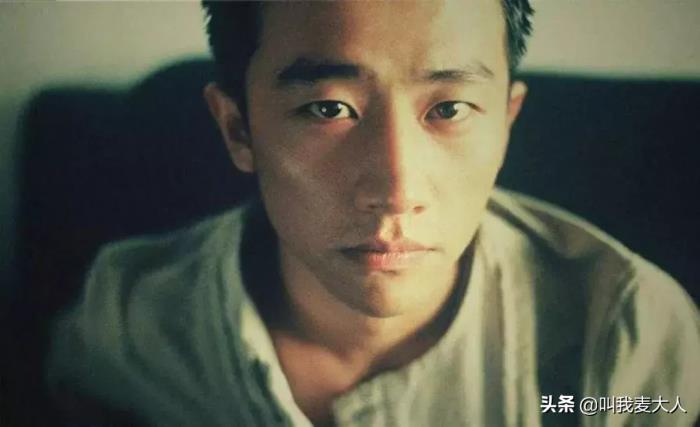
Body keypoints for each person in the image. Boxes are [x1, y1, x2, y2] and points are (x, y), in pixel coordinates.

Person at [47, 1, 699, 426]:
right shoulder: (129, 319)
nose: (395, 188)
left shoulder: (623, 336)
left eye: (449, 109)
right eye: (328, 108)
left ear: (506, 122)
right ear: (238, 129)